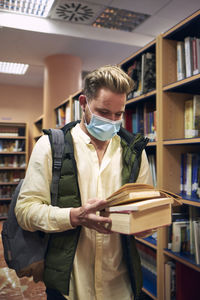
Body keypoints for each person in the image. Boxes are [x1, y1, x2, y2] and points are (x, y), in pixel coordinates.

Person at [15, 65, 153, 300]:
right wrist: (73, 216)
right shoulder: (50, 146)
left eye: (118, 114)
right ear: (83, 103)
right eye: (103, 112)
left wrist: (145, 224)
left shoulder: (134, 151)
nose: (111, 121)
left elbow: (142, 210)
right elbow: (25, 211)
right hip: (69, 285)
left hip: (120, 285)